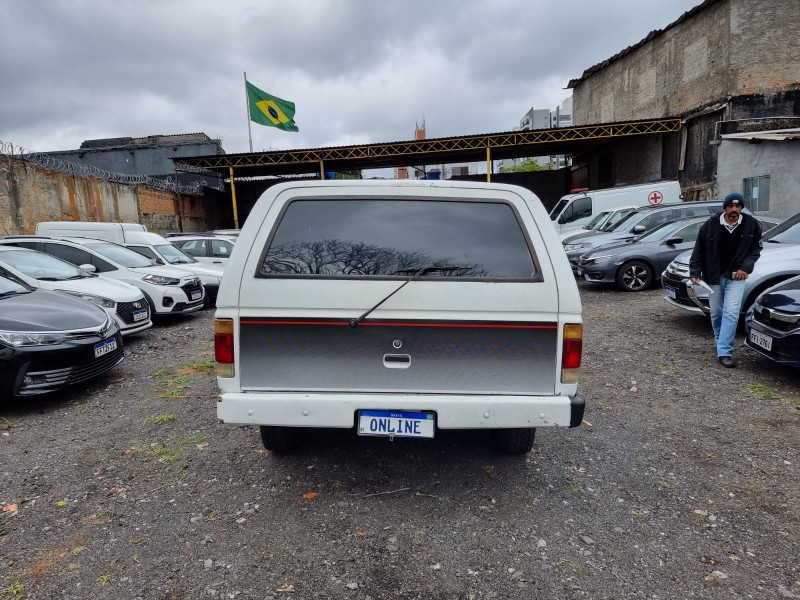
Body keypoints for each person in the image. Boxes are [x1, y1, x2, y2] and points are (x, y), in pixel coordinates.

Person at [690, 192, 762, 368]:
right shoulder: (711, 224)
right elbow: (699, 249)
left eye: (737, 206)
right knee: (716, 312)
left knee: (731, 312)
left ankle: (724, 352)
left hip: (736, 276)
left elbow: (755, 250)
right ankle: (720, 340)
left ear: (741, 208)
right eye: (731, 206)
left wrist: (745, 267)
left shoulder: (751, 225)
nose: (734, 209)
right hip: (713, 276)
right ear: (725, 208)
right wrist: (695, 271)